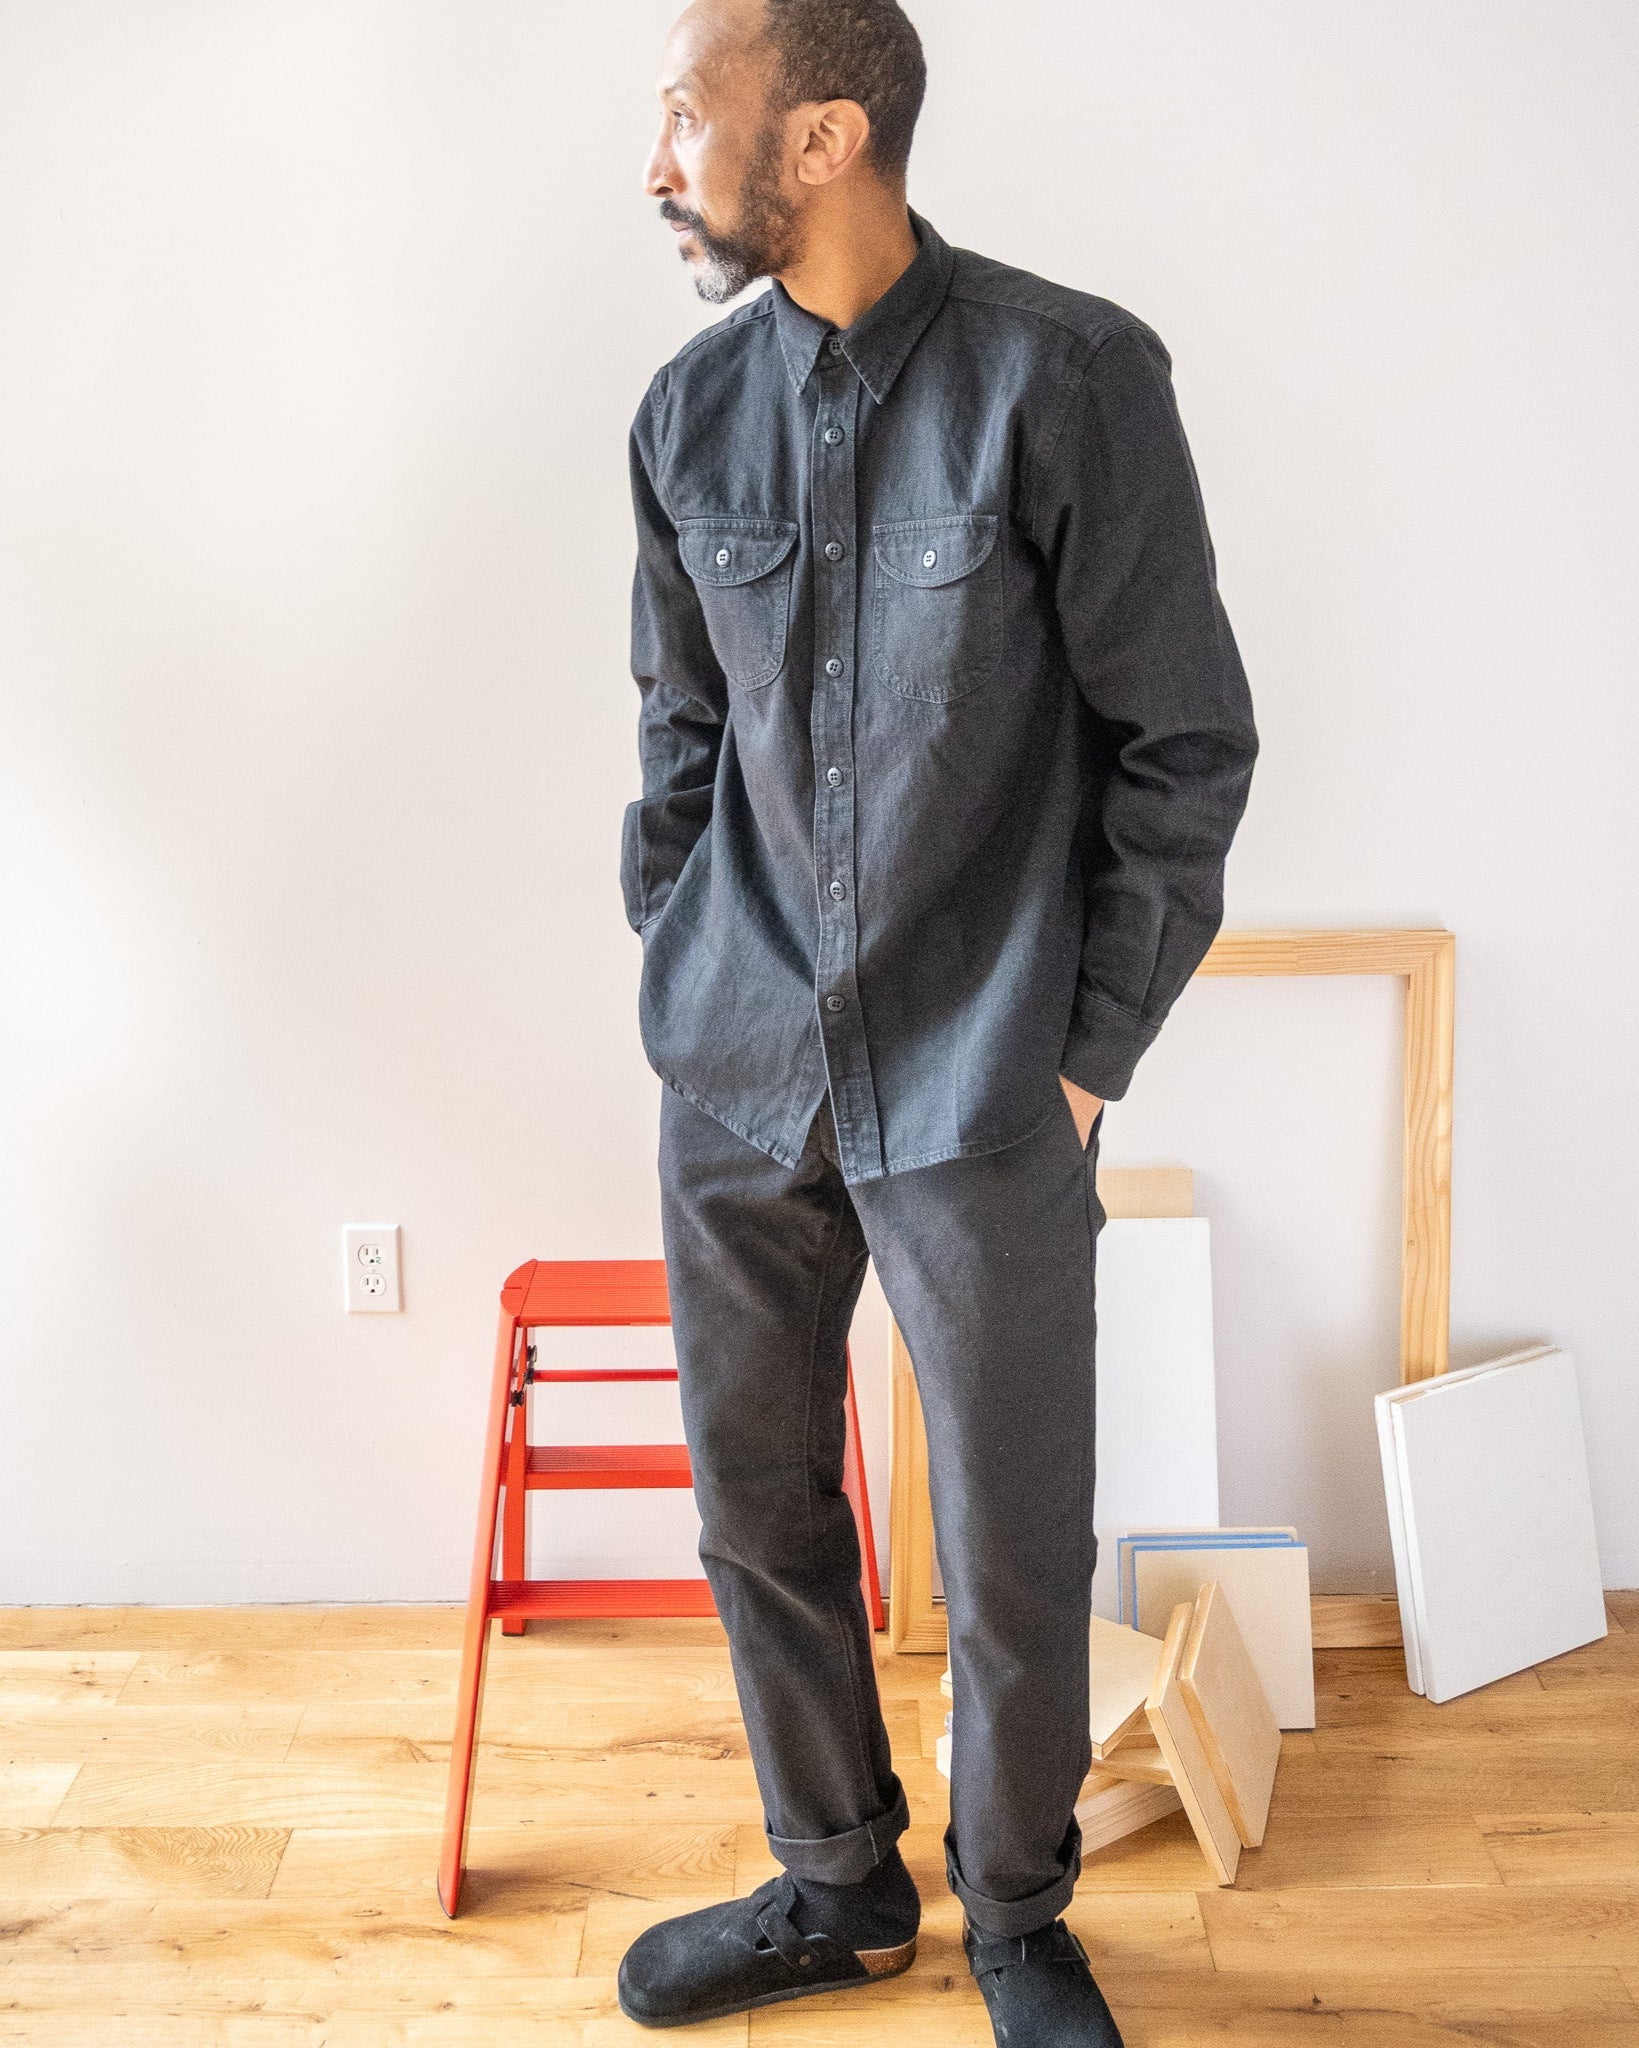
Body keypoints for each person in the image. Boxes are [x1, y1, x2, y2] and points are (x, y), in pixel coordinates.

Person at [614, 1, 1258, 2039]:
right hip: (737, 1075)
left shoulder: (1068, 380)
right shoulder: (683, 417)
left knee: (1008, 1540)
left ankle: (1018, 1914)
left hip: (986, 1079)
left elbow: (1185, 745)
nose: (656, 159)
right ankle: (835, 1885)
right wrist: (677, 956)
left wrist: (1084, 1056)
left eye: (687, 112)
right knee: (757, 1505)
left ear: (820, 139)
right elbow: (679, 738)